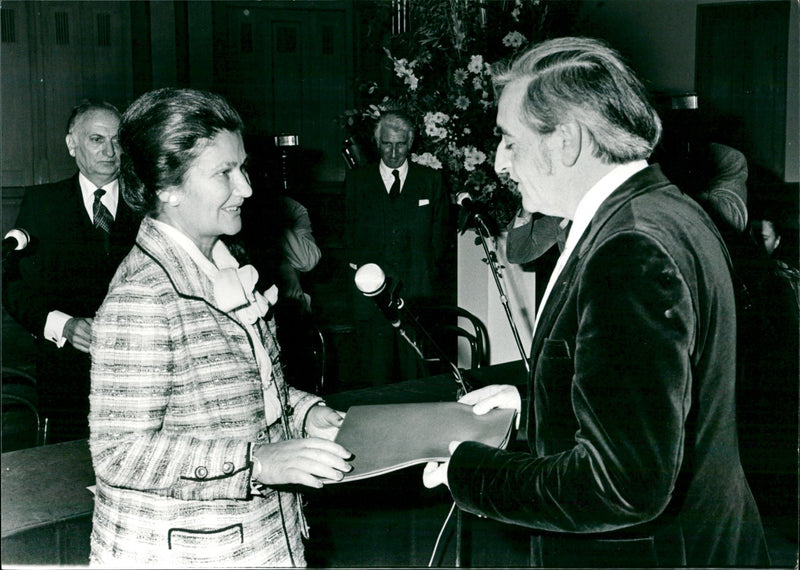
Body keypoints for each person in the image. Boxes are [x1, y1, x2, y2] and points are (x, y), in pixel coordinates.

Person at [422, 37, 769, 567]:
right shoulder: (665, 208)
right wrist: (534, 403)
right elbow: (660, 400)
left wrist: (472, 472)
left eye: (510, 141)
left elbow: (623, 485)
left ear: (566, 141)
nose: (499, 162)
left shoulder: (629, 250)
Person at [88, 87, 352, 567]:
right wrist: (259, 460)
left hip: (260, 537)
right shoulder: (143, 296)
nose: (247, 188)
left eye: (243, 168)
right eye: (225, 173)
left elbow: (232, 391)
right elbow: (120, 453)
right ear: (167, 188)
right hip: (190, 550)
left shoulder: (223, 261)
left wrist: (304, 411)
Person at [2, 100, 140, 444]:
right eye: (97, 140)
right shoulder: (42, 204)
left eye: (117, 141)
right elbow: (14, 286)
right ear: (71, 144)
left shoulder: (147, 203)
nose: (110, 151)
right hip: (68, 380)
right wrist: (63, 324)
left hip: (141, 374)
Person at [345, 110, 450, 386]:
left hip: (417, 298)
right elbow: (349, 238)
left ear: (411, 142)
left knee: (418, 380)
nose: (393, 152)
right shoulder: (358, 181)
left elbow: (440, 241)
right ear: (377, 143)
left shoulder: (431, 180)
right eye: (387, 144)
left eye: (400, 144)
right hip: (371, 302)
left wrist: (422, 275)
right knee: (375, 381)